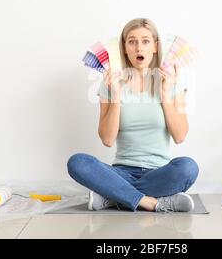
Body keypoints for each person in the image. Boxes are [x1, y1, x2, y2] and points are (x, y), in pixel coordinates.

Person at [67, 18, 199, 212]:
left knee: (188, 167)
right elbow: (107, 139)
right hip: (120, 173)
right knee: (78, 162)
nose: (139, 48)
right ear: (124, 48)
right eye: (132, 41)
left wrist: (164, 94)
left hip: (159, 173)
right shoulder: (110, 83)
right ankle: (150, 202)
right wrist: (117, 95)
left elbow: (180, 136)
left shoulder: (173, 82)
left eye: (145, 41)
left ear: (155, 46)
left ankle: (113, 197)